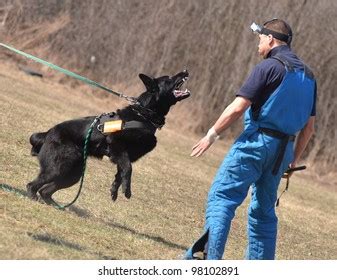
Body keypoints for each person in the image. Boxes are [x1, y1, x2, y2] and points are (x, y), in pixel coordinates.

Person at [184, 19, 317, 260]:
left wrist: (211, 135)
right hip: (283, 151)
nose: (258, 43)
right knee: (264, 213)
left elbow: (238, 108)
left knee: (222, 198)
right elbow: (309, 128)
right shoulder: (309, 77)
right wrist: (293, 160)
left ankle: (208, 262)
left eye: (259, 38)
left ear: (270, 39)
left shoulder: (268, 68)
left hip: (256, 144)